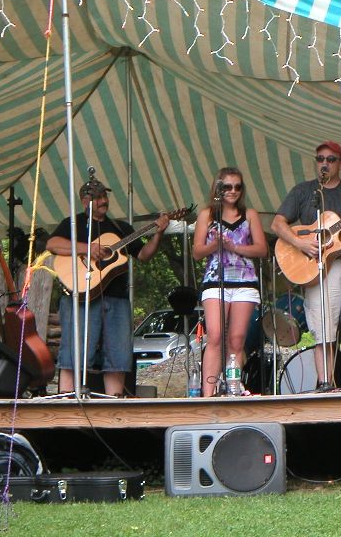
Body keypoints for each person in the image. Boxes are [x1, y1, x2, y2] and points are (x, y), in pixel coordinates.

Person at [271, 141, 341, 389]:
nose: (324, 163)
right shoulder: (304, 191)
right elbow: (277, 224)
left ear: (340, 163)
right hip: (317, 266)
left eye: (331, 159)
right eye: (320, 159)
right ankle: (325, 385)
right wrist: (300, 243)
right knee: (324, 334)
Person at [47, 176, 169, 396]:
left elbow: (143, 255)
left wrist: (158, 232)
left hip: (117, 298)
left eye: (104, 196)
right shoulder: (73, 223)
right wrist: (87, 249)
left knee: (118, 354)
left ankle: (115, 402)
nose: (103, 201)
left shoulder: (120, 228)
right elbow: (52, 244)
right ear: (85, 202)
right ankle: (66, 401)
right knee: (74, 352)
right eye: (98, 197)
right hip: (81, 296)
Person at [193, 167, 268, 396]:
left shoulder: (250, 214)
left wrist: (234, 247)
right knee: (215, 336)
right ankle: (208, 392)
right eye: (227, 187)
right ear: (218, 189)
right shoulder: (207, 215)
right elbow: (197, 252)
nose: (233, 191)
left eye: (237, 187)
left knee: (236, 340)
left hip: (245, 281)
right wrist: (215, 245)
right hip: (216, 280)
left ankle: (232, 388)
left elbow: (262, 249)